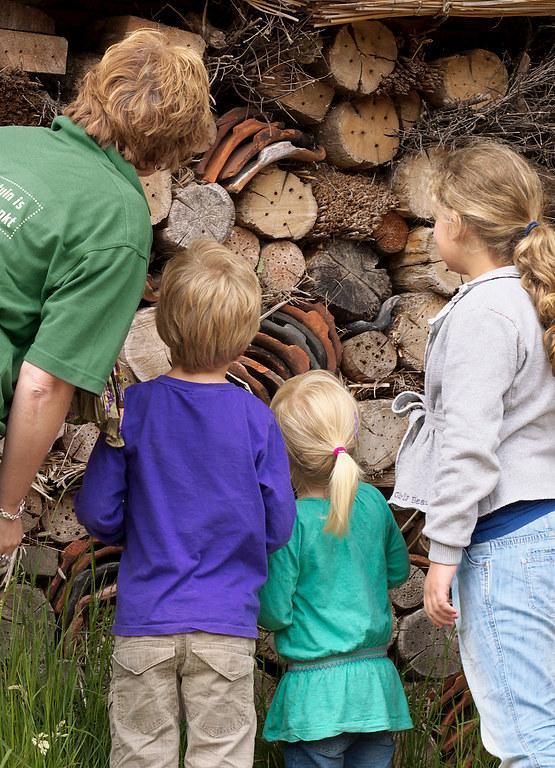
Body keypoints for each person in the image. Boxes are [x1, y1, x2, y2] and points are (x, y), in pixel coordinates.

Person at [75, 239, 297, 768]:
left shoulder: (134, 410)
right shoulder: (256, 420)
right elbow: (279, 526)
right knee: (221, 756)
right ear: (245, 338)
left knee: (139, 755)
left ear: (164, 326)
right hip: (225, 623)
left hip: (146, 621)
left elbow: (100, 516)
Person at [0, 30, 212, 564]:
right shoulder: (117, 220)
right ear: (168, 144)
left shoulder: (8, 142)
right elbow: (46, 382)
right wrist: (6, 508)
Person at [390, 142, 555, 767]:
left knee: (526, 736)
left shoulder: (484, 312)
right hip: (547, 525)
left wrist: (444, 553)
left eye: (435, 218)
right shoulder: (534, 300)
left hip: (511, 545)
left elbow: (468, 445)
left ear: (457, 222)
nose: (433, 230)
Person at [258, 370, 412, 768]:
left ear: (284, 453)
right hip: (375, 689)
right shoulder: (375, 504)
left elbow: (274, 613)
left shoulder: (289, 522)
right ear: (353, 433)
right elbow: (397, 573)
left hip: (316, 698)